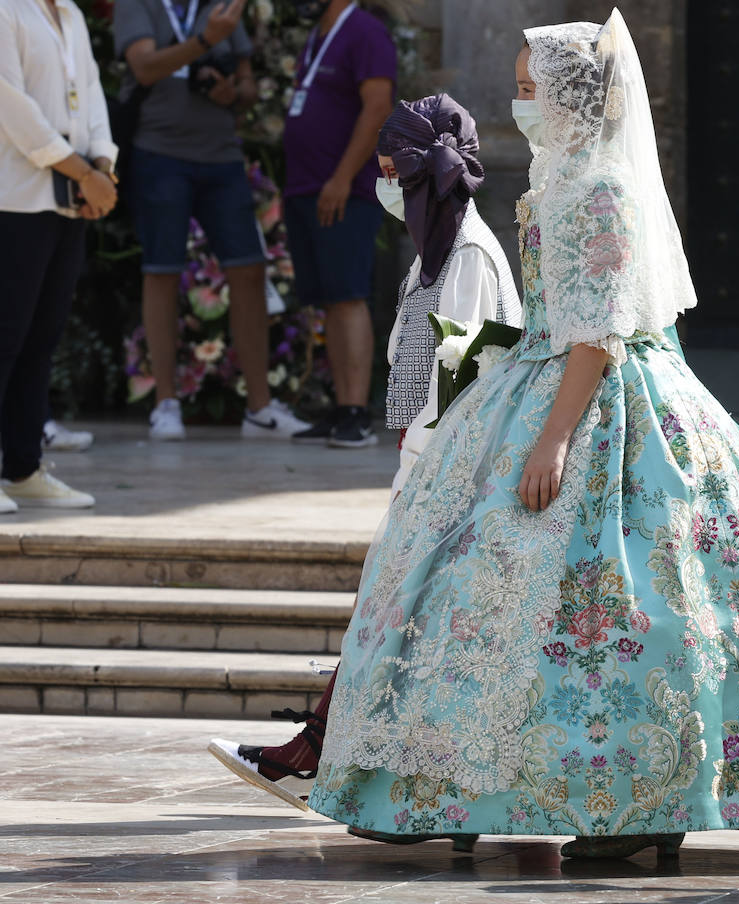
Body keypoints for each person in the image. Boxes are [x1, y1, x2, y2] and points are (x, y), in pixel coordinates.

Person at [305, 11, 739, 860]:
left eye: (531, 91)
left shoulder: (598, 186)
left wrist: (553, 440)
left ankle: (640, 807)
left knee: (628, 600)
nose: (520, 104)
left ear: (574, 98)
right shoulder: (562, 178)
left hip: (593, 395)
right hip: (542, 379)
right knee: (466, 575)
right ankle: (451, 782)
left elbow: (599, 332)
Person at [205, 96, 524, 815]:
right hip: (432, 471)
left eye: (388, 171)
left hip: (451, 481)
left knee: (389, 616)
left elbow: (466, 384)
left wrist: (420, 483)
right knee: (385, 619)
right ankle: (320, 756)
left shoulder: (467, 255)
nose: (380, 187)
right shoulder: (437, 251)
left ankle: (315, 756)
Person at [116, 0, 311, 442]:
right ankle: (166, 403)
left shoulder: (221, 7)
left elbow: (247, 85)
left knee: (248, 267)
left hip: (221, 156)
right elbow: (144, 68)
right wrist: (205, 40)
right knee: (161, 271)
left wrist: (232, 92)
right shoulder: (139, 5)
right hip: (158, 154)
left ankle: (259, 410)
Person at [0, 0, 116, 511]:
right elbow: (12, 105)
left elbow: (90, 96)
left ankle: (23, 468)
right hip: (14, 197)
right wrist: (82, 172)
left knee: (41, 336)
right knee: (4, 332)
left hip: (68, 199)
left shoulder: (68, 13)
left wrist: (102, 165)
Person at [282, 0, 397, 450]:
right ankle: (340, 406)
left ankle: (356, 413)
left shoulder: (365, 31)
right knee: (329, 299)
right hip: (308, 188)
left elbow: (377, 107)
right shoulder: (317, 35)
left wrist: (342, 178)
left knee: (348, 296)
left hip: (342, 190)